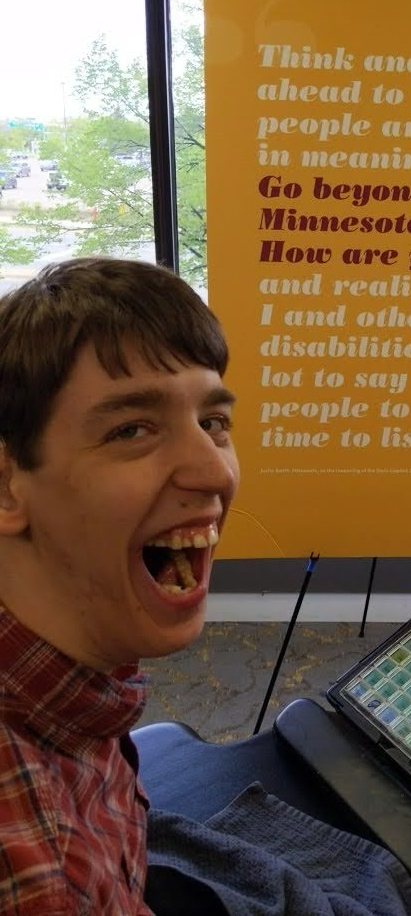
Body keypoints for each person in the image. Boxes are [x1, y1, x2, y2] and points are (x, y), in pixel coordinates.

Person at [0, 257, 240, 915]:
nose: (211, 472)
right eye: (131, 429)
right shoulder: (37, 878)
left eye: (213, 423)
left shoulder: (71, 672)